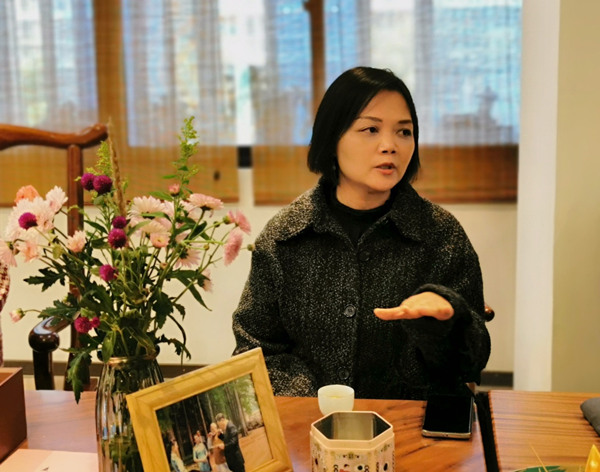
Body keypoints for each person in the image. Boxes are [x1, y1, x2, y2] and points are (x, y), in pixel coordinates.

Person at [232, 66, 492, 400]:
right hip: (311, 425)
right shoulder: (285, 236)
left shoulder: (441, 235)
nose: (390, 145)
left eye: (404, 131)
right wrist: (316, 405)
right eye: (370, 129)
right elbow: (255, 350)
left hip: (412, 424)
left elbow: (470, 365)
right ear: (333, 138)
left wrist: (448, 322)